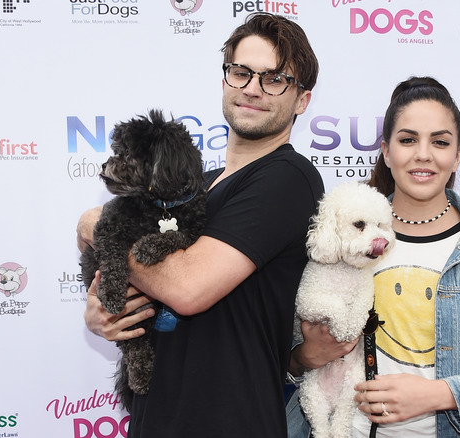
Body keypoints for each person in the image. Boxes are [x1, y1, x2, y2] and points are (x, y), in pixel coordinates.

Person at [79, 12, 325, 437]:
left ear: (301, 99)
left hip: (230, 420)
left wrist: (97, 225)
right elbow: (136, 280)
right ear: (225, 79)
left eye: (275, 79)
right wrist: (103, 311)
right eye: (241, 72)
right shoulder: (199, 186)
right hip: (153, 417)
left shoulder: (288, 177)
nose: (253, 88)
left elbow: (187, 288)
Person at [286, 77, 460, 437]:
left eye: (441, 142)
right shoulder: (341, 239)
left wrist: (438, 394)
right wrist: (306, 356)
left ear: (459, 154)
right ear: (386, 151)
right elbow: (284, 354)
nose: (423, 154)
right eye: (408, 139)